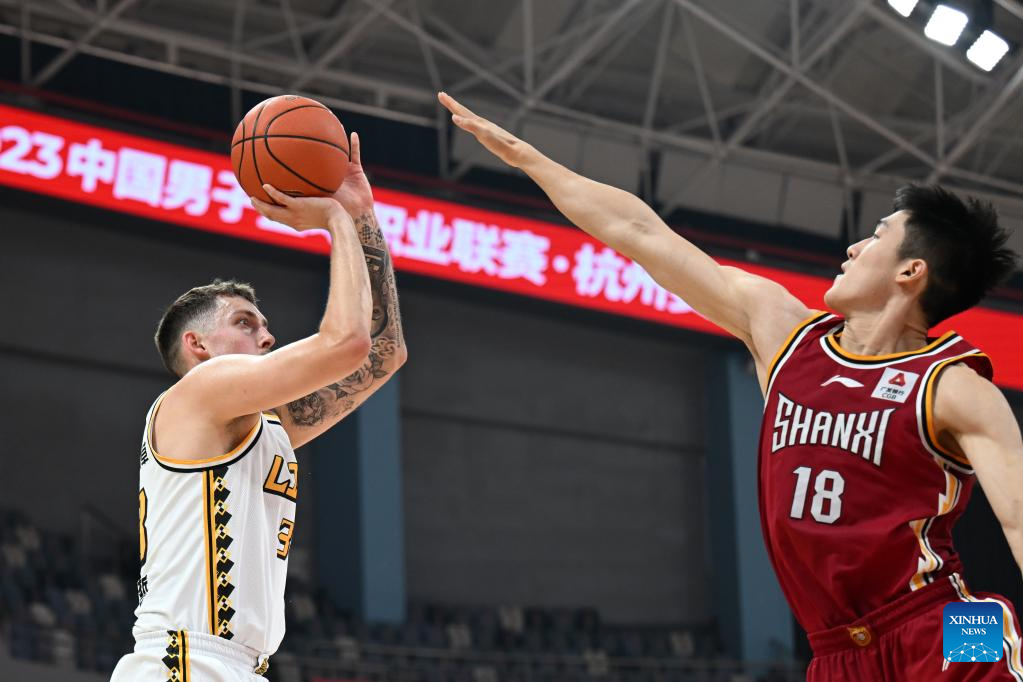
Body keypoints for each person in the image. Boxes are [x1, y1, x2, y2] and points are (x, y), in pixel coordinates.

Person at [439, 91, 1023, 680]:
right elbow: (638, 231)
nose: (853, 247)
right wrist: (529, 159)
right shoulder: (784, 334)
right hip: (835, 653)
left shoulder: (953, 386)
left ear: (910, 272)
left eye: (876, 235)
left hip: (940, 624)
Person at [111, 132, 406, 681]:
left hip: (235, 666)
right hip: (184, 663)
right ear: (197, 346)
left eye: (266, 325)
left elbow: (385, 353)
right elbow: (348, 344)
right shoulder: (201, 390)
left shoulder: (262, 426)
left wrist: (364, 214)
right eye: (245, 323)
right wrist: (336, 222)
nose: (267, 336)